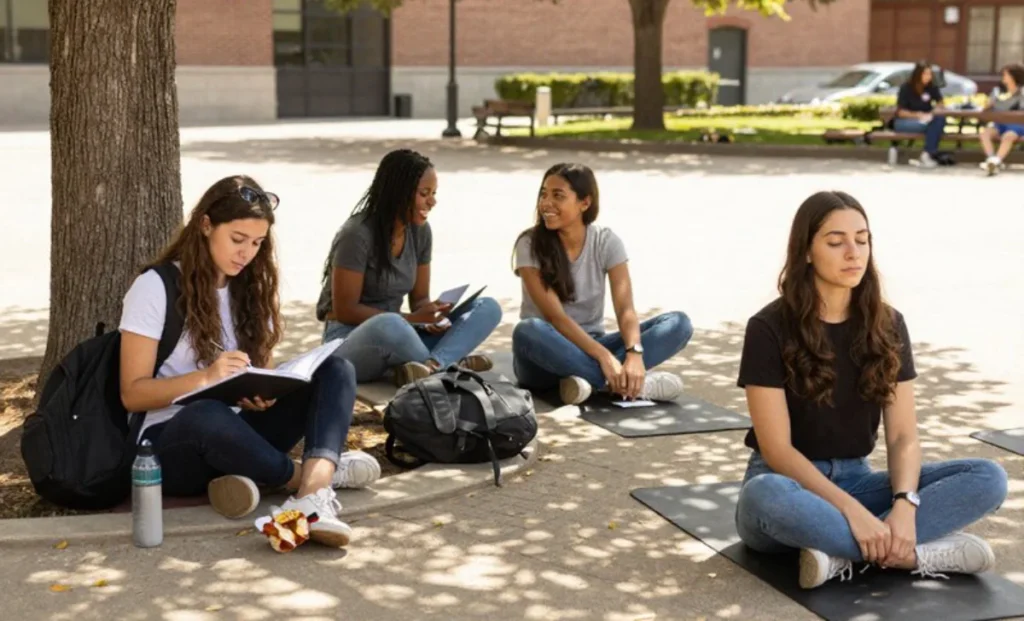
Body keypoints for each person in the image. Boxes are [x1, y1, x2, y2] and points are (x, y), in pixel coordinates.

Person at [734, 190, 1007, 589]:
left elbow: (902, 436)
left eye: (862, 240)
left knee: (988, 477)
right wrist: (852, 512)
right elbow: (777, 451)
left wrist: (904, 505)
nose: (853, 252)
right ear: (806, 251)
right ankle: (913, 555)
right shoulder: (768, 328)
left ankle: (841, 555)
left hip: (857, 480)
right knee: (764, 494)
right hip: (789, 487)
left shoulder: (888, 324)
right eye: (835, 241)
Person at [119, 175, 380, 548]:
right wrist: (206, 377)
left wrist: (261, 392)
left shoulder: (251, 290)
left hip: (241, 436)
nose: (246, 253)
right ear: (206, 225)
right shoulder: (155, 287)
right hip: (170, 446)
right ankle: (313, 480)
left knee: (337, 368)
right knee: (207, 412)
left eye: (257, 243)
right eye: (237, 240)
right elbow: (132, 394)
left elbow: (259, 373)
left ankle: (307, 497)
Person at [511, 162, 692, 406]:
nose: (545, 203)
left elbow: (625, 310)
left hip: (592, 344)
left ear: (585, 203)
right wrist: (606, 358)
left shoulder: (606, 242)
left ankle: (587, 382)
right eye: (543, 194)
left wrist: (634, 354)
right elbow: (556, 318)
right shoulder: (529, 243)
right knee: (528, 329)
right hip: (544, 354)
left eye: (558, 195)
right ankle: (629, 385)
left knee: (679, 324)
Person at [317, 149, 502, 385]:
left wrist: (433, 314)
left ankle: (430, 366)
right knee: (390, 324)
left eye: (434, 193)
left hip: (403, 335)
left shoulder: (420, 231)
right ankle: (453, 363)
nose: (432, 201)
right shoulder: (357, 234)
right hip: (349, 343)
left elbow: (420, 300)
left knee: (487, 307)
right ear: (398, 192)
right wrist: (411, 319)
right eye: (424, 193)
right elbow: (345, 310)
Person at [892, 62, 946, 169]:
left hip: (926, 120)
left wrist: (933, 112)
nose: (928, 77)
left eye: (930, 74)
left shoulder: (932, 87)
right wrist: (918, 115)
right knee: (934, 126)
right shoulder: (906, 88)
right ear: (918, 74)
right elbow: (901, 112)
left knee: (938, 119)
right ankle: (927, 155)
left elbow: (940, 103)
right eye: (925, 74)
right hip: (906, 121)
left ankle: (926, 154)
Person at [979, 63, 1024, 176]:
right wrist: (988, 104)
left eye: (1006, 74)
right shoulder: (997, 91)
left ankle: (996, 161)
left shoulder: (1022, 91)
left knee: (1008, 136)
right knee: (985, 133)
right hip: (999, 124)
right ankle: (991, 160)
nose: (1003, 77)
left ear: (1014, 76)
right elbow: (987, 108)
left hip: (1017, 125)